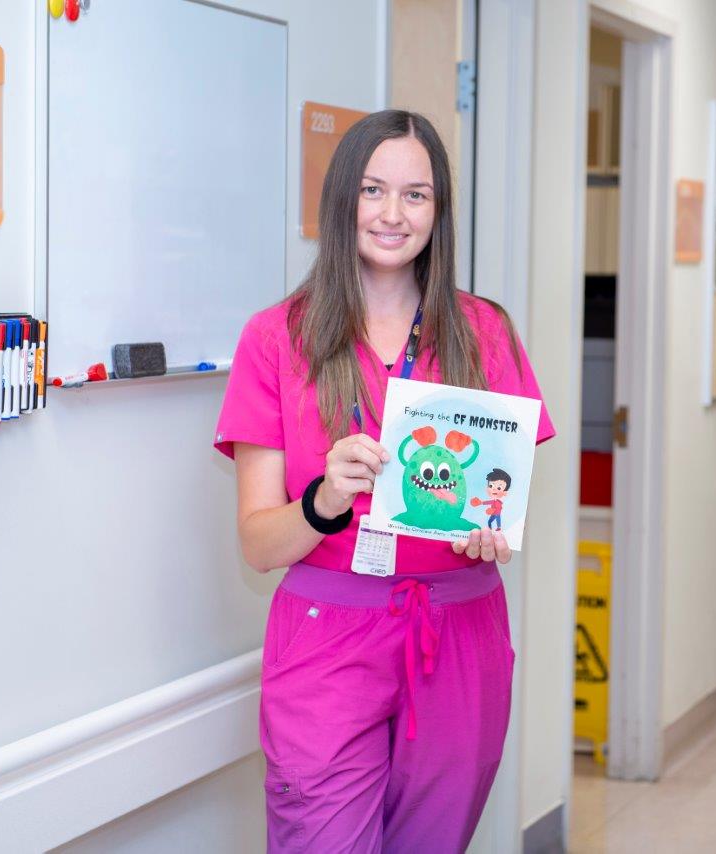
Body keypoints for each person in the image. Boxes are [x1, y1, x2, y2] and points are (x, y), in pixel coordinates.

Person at [213, 110, 555, 853]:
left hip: (460, 632)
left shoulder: (484, 332)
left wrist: (492, 527)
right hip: (328, 637)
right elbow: (259, 546)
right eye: (373, 190)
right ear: (343, 200)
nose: (394, 215)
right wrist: (324, 499)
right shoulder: (277, 339)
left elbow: (504, 487)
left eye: (416, 195)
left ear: (439, 212)